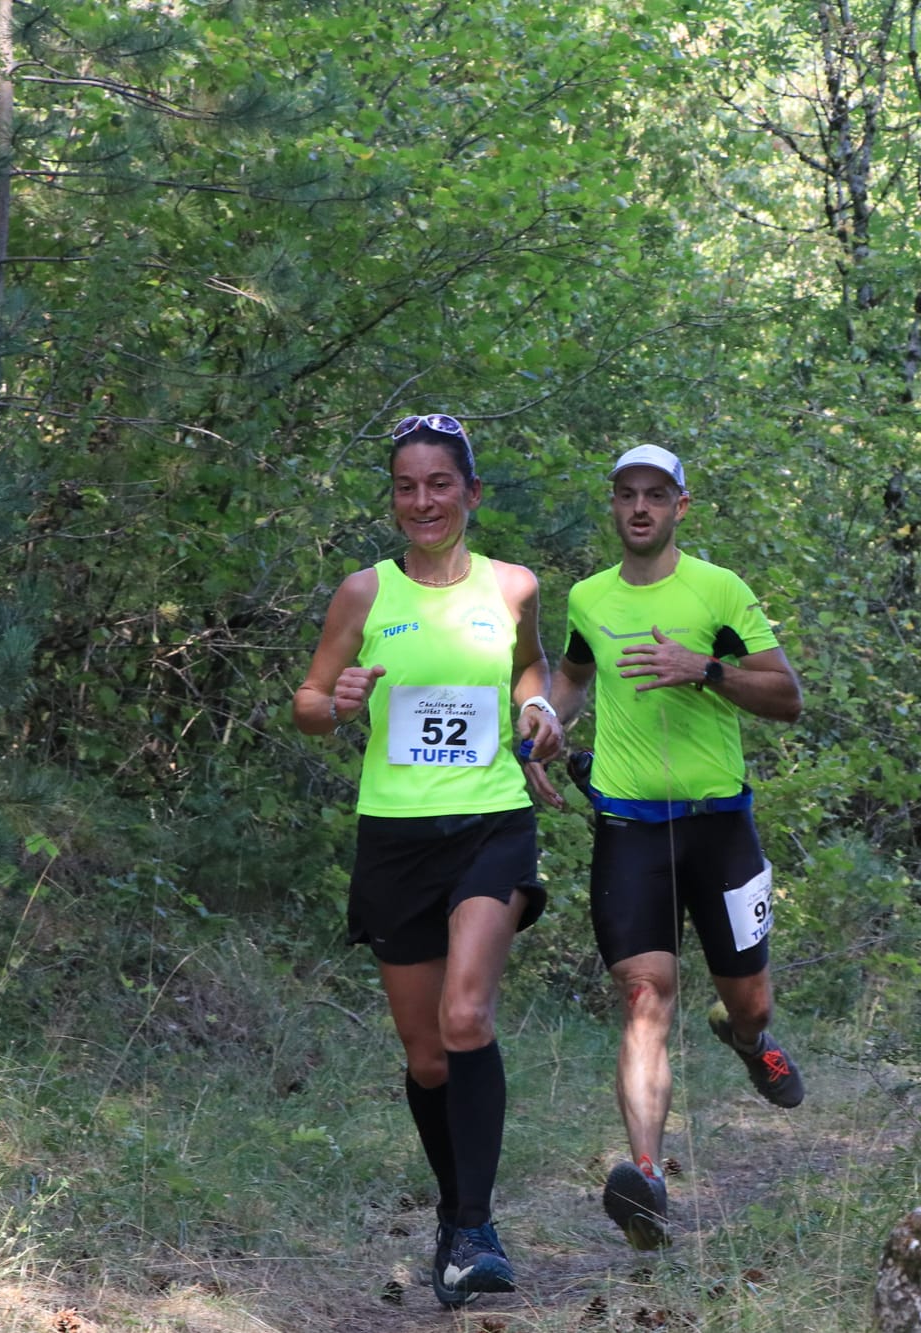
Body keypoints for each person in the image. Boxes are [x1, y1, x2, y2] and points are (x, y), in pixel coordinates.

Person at [292, 413, 564, 1307]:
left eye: (439, 484)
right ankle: (455, 1216)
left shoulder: (514, 586)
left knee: (467, 1014)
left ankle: (478, 1230)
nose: (422, 501)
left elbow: (532, 673)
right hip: (396, 834)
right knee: (426, 1055)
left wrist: (540, 714)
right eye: (407, 486)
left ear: (471, 493)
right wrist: (337, 700)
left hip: (490, 822)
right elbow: (307, 701)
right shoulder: (365, 593)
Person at [546, 444, 805, 1251]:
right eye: (626, 496)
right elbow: (575, 675)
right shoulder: (588, 596)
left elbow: (788, 696)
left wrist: (707, 669)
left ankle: (749, 1038)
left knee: (749, 998)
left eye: (656, 496)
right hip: (628, 825)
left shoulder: (719, 590)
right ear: (614, 506)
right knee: (645, 995)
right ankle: (648, 1177)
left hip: (718, 826)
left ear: (681, 506)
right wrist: (548, 720)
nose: (640, 509)